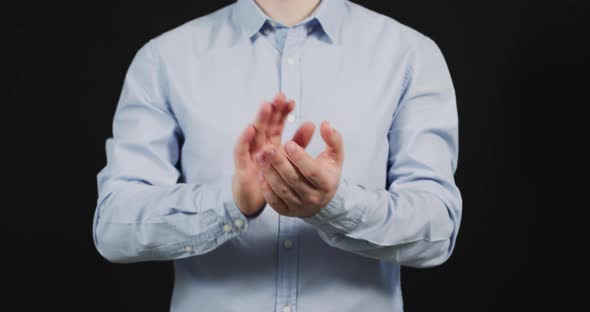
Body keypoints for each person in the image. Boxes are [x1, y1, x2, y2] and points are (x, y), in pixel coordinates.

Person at [92, 0, 463, 311]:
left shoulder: (411, 56)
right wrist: (231, 202)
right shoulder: (164, 59)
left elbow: (437, 232)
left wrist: (335, 205)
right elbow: (113, 226)